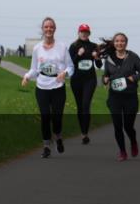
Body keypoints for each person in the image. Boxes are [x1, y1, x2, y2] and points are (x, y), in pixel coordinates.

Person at [21, 17, 74, 158]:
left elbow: (71, 66)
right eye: (46, 27)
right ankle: (46, 146)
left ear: (54, 29)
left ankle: (58, 137)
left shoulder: (62, 47)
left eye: (51, 27)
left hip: (58, 87)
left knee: (56, 118)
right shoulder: (37, 48)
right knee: (45, 116)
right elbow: (34, 69)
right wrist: (27, 76)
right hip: (42, 87)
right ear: (43, 29)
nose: (49, 29)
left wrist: (65, 73)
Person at [102, 32, 140, 161]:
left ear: (126, 43)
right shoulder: (109, 58)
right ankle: (122, 152)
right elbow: (106, 74)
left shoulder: (133, 57)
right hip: (114, 97)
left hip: (130, 96)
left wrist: (134, 77)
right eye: (117, 41)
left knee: (128, 126)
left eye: (122, 41)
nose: (119, 43)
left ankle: (133, 141)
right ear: (114, 43)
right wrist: (105, 79)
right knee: (117, 125)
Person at [68, 23, 103, 145]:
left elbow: (99, 65)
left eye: (86, 32)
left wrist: (97, 57)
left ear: (89, 33)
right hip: (76, 80)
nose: (84, 33)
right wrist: (78, 54)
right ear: (78, 33)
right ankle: (82, 132)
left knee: (85, 105)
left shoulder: (94, 46)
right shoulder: (73, 46)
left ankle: (85, 134)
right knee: (79, 107)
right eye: (82, 31)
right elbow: (70, 63)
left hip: (90, 79)